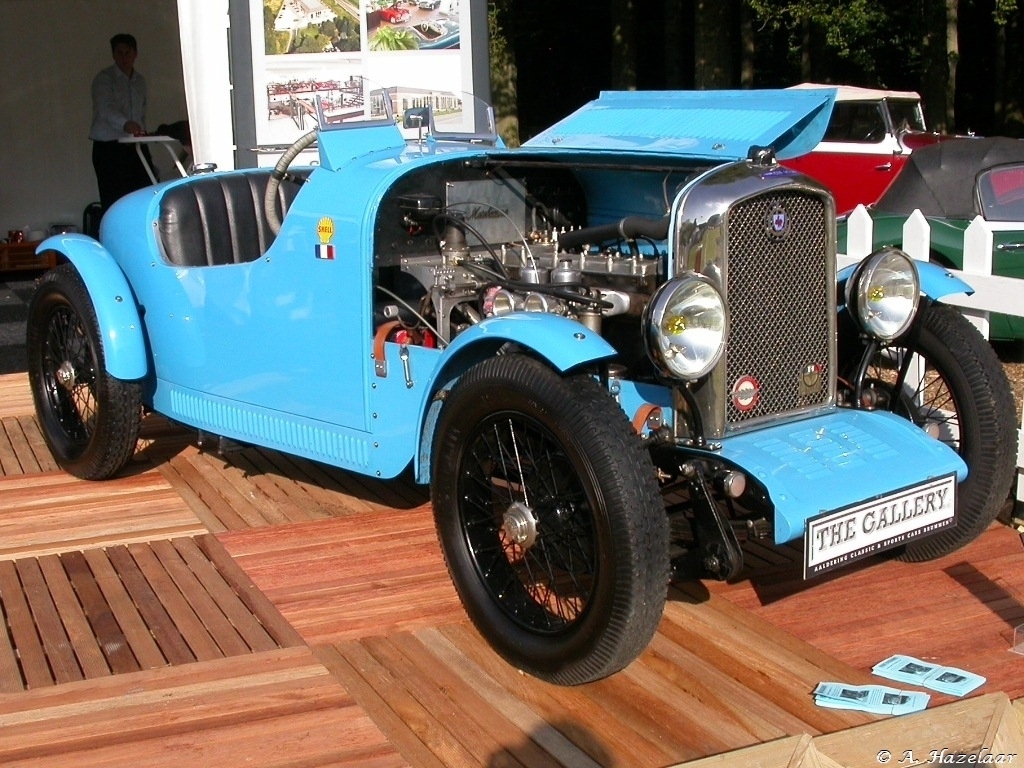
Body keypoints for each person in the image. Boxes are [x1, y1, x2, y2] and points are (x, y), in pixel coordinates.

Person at [89, 33, 152, 216]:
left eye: (128, 52)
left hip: (135, 146)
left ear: (135, 54)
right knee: (114, 200)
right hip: (110, 148)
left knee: (144, 193)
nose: (124, 57)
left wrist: (142, 134)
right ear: (113, 55)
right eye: (119, 53)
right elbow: (105, 108)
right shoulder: (104, 79)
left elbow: (141, 112)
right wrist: (126, 124)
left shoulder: (139, 81)